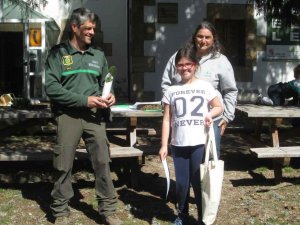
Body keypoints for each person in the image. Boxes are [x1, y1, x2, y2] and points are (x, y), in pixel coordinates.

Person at [45, 8, 123, 225]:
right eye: (87, 28)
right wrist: (84, 100)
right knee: (63, 164)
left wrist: (109, 96)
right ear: (74, 27)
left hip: (94, 117)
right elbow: (52, 88)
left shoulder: (97, 56)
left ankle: (108, 210)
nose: (91, 32)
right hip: (68, 116)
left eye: (93, 29)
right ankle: (60, 211)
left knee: (102, 162)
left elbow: (104, 85)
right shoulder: (58, 54)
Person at [159, 44, 224, 225]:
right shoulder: (171, 91)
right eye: (180, 64)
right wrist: (164, 145)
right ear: (176, 67)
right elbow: (166, 120)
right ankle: (182, 214)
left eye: (188, 64)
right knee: (181, 183)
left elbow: (219, 106)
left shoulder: (205, 86)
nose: (184, 68)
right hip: (178, 144)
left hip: (199, 143)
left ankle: (203, 217)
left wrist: (209, 115)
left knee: (199, 182)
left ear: (195, 65)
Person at [161, 21, 238, 158]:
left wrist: (227, 116)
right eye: (200, 36)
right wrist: (169, 108)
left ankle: (207, 181)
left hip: (210, 120)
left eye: (207, 37)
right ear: (194, 37)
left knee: (209, 157)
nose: (203, 41)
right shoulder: (180, 56)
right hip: (184, 120)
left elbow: (230, 91)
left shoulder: (221, 61)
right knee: (186, 157)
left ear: (213, 39)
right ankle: (190, 180)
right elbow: (166, 84)